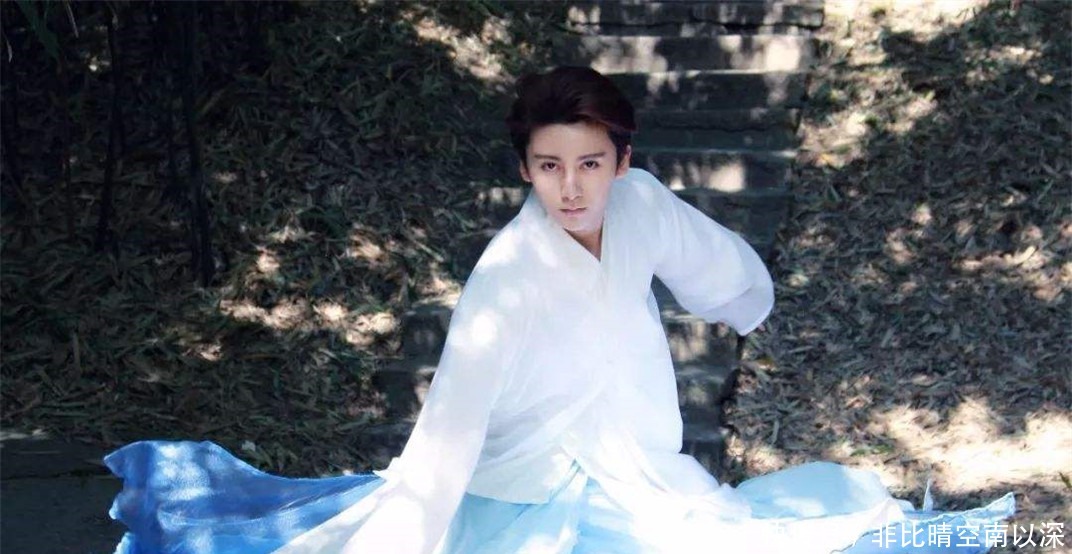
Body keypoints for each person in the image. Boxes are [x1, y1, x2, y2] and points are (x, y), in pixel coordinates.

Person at [103, 66, 1015, 554]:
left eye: (588, 164)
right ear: (525, 170)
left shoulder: (642, 202)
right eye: (548, 166)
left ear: (622, 161)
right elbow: (446, 438)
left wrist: (745, 306)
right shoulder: (507, 276)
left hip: (636, 468)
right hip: (524, 488)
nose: (570, 188)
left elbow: (726, 273)